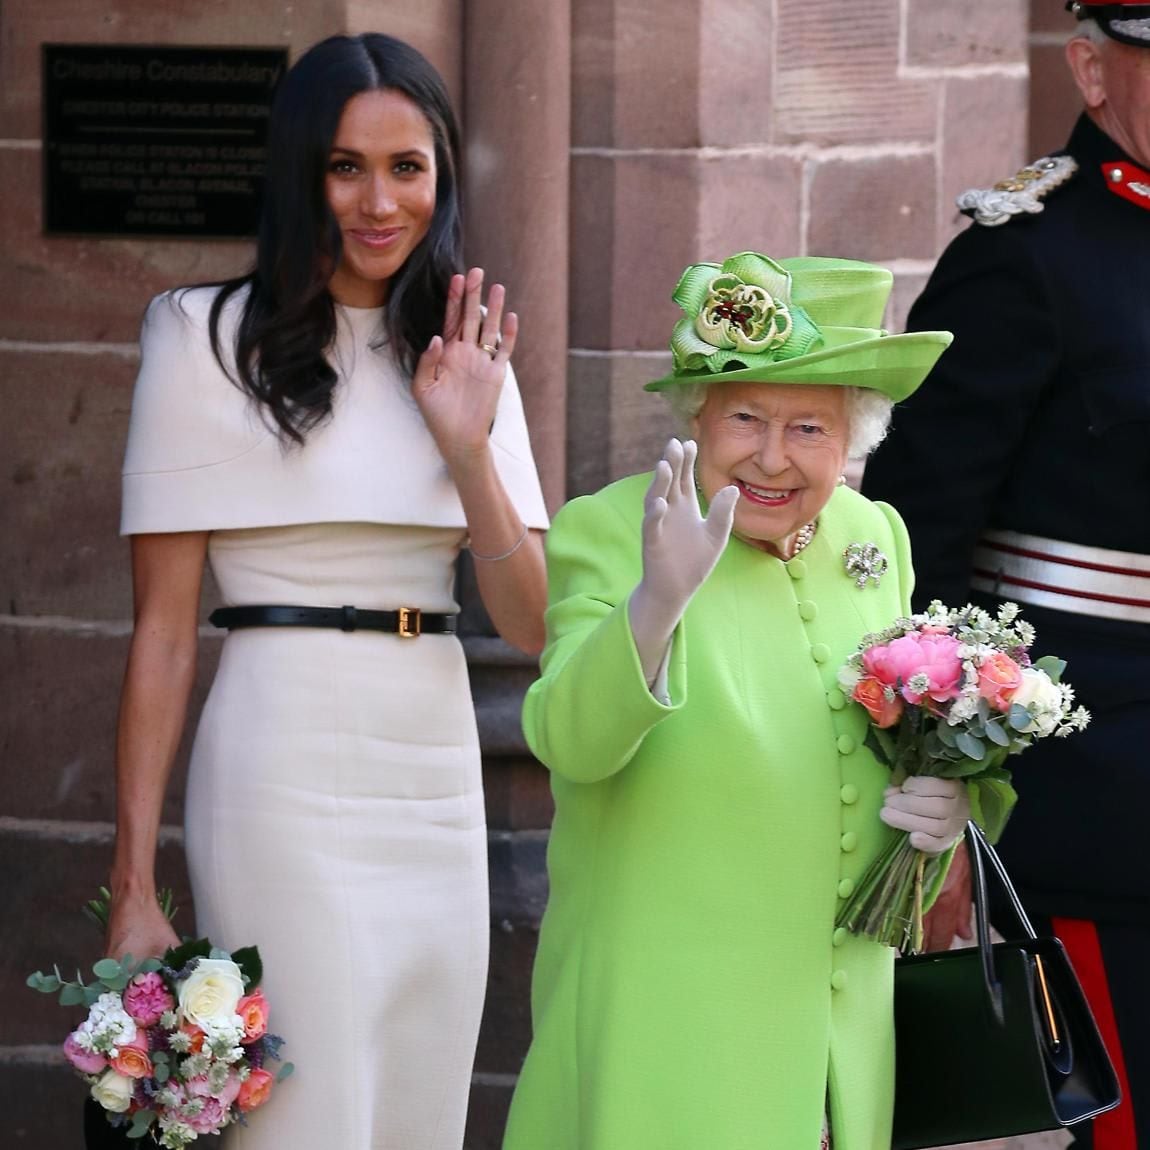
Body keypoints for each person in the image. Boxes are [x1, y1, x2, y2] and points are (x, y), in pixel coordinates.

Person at [98, 33, 549, 1150]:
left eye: (408, 166)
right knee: (304, 1107)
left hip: (433, 767)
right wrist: (132, 879)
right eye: (346, 166)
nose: (379, 200)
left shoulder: (471, 350)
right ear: (300, 172)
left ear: (442, 175)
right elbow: (161, 635)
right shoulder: (198, 336)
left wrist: (466, 448)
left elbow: (536, 624)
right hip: (278, 765)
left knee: (414, 1099)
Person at [501, 252, 965, 1150]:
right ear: (696, 417)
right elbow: (568, 740)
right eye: (746, 416)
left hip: (837, 1040)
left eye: (809, 428)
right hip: (671, 1030)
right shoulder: (613, 529)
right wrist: (654, 605)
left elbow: (910, 737)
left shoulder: (873, 534)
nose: (772, 457)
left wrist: (948, 812)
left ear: (853, 442)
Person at [862, 3, 1150, 1146]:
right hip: (1093, 802)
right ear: (1089, 68)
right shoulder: (1025, 254)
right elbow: (914, 542)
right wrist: (932, 801)